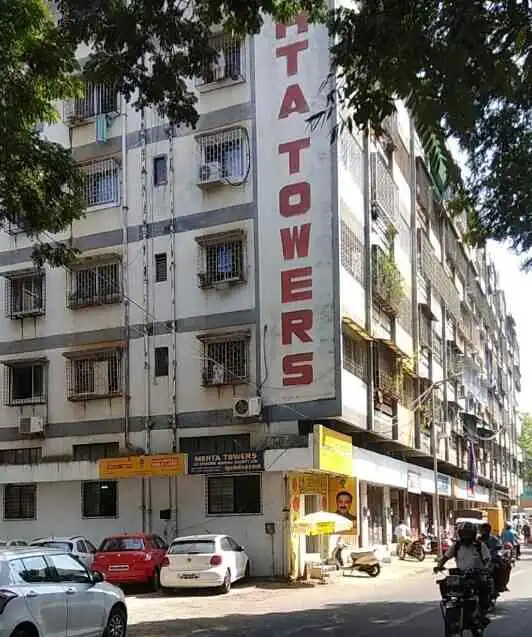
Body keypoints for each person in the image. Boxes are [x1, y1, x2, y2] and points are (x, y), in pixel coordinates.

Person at [434, 521, 491, 627]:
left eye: (468, 534)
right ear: (460, 534)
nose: (466, 536)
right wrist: (439, 565)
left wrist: (486, 568)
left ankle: (483, 614)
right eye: (464, 533)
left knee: (484, 589)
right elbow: (446, 557)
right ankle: (450, 604)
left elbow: (487, 559)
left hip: (477, 574)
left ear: (473, 534)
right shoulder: (456, 545)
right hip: (461, 575)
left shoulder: (480, 545)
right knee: (445, 584)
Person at [479, 522, 506, 594]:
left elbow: (500, 546)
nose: (484, 532)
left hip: (492, 558)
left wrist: (495, 549)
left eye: (486, 530)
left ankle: (500, 584)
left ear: (489, 530)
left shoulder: (494, 539)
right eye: (483, 530)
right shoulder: (478, 540)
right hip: (480, 559)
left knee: (502, 567)